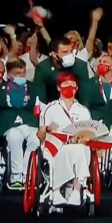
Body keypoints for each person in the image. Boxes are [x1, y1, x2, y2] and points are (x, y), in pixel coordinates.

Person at [37, 72, 95, 206]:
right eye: (65, 83)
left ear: (77, 88)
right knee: (64, 151)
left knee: (81, 149)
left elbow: (89, 132)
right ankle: (56, 192)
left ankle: (76, 191)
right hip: (55, 145)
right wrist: (46, 129)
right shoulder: (50, 108)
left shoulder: (83, 110)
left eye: (72, 84)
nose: (69, 86)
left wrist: (83, 138)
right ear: (58, 87)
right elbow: (41, 136)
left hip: (76, 145)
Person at [0, 59, 43, 188]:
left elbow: (41, 107)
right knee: (14, 136)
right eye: (17, 73)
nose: (21, 76)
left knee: (35, 140)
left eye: (23, 73)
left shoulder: (34, 88)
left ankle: (27, 174)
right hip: (8, 125)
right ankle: (16, 177)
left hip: (30, 124)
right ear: (9, 75)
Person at [34, 36, 93, 104]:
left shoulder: (80, 66)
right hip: (51, 107)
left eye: (70, 51)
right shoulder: (43, 68)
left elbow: (85, 96)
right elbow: (39, 96)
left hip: (76, 107)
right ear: (54, 54)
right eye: (65, 52)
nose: (69, 55)